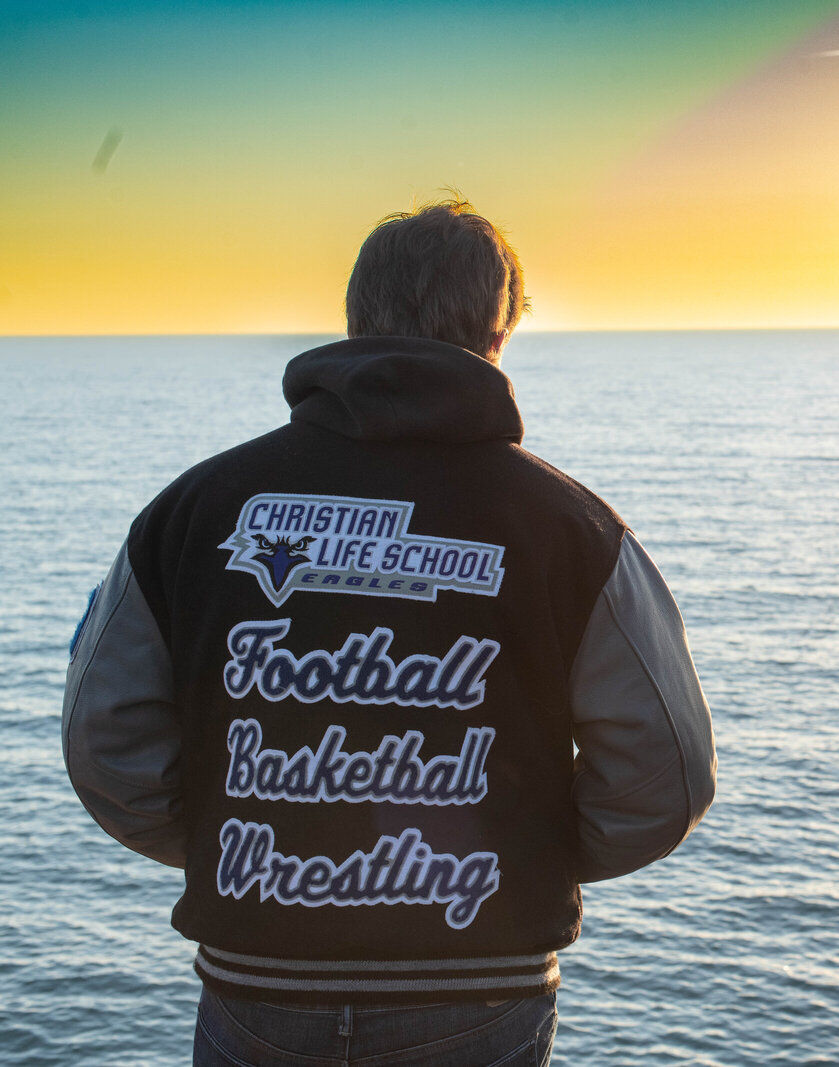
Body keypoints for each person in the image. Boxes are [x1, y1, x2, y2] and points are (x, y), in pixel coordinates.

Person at [61, 199, 716, 1066]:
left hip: (260, 983)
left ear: (356, 317)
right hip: (476, 987)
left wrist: (239, 843)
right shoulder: (572, 528)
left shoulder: (195, 509)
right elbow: (666, 770)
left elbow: (101, 735)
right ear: (497, 330)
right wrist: (521, 853)